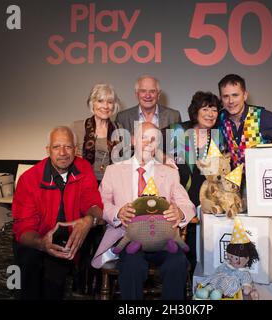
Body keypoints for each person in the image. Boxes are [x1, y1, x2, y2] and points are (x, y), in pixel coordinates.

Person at [92, 122, 196, 300]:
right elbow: (101, 204)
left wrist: (180, 213)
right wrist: (118, 213)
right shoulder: (113, 171)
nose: (148, 143)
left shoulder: (169, 173)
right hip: (126, 238)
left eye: (153, 139)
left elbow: (187, 205)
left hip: (163, 238)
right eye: (143, 137)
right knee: (132, 265)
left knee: (177, 262)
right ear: (133, 140)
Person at [12, 126, 104, 300]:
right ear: (48, 150)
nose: (63, 152)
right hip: (35, 240)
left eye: (68, 147)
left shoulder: (83, 168)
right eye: (56, 147)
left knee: (53, 289)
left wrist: (89, 219)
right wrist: (41, 244)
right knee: (27, 278)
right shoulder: (29, 178)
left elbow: (93, 203)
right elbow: (24, 227)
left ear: (75, 149)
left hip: (64, 242)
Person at [162, 91, 222, 275]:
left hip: (206, 200)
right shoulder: (178, 131)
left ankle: (198, 282)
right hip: (179, 199)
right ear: (195, 111)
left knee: (203, 249)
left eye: (214, 109)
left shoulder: (219, 136)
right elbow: (150, 143)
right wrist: (163, 157)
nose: (210, 114)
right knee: (179, 251)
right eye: (205, 109)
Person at [71, 84, 122, 295]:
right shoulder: (78, 127)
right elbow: (70, 160)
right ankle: (81, 284)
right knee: (84, 236)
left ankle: (102, 284)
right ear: (92, 103)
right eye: (100, 101)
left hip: (109, 189)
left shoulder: (119, 130)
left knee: (105, 237)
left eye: (109, 101)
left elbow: (122, 162)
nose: (105, 106)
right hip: (83, 188)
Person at [115, 75, 181, 135]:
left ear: (158, 94)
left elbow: (179, 146)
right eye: (143, 91)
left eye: (152, 91)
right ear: (136, 94)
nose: (148, 96)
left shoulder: (173, 116)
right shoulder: (122, 118)